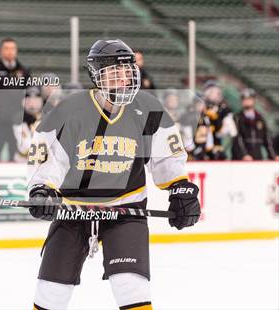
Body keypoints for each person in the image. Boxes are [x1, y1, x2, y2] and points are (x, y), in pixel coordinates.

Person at [27, 39, 201, 310]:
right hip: (74, 212)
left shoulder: (148, 108)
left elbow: (167, 156)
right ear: (97, 76)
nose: (123, 78)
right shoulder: (68, 111)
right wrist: (42, 189)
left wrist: (180, 188)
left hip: (125, 209)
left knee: (131, 286)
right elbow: (48, 158)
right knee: (51, 292)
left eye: (128, 71)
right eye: (114, 72)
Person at [0, 37, 31, 161]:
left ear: (16, 51)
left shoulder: (24, 72)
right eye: (6, 48)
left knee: (15, 154)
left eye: (12, 49)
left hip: (17, 121)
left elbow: (29, 94)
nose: (10, 51)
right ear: (1, 51)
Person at [232, 88, 278, 160]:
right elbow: (237, 138)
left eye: (249, 98)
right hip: (240, 159)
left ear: (254, 100)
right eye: (244, 99)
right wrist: (244, 154)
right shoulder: (237, 118)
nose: (247, 101)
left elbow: (267, 139)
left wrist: (273, 155)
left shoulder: (260, 118)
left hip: (257, 156)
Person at [202, 80, 237, 159]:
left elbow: (230, 132)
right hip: (201, 146)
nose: (217, 94)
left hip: (217, 145)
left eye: (218, 91)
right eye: (214, 91)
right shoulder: (200, 107)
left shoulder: (223, 109)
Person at [12, 86, 43, 162]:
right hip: (22, 160)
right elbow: (24, 144)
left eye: (36, 100)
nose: (32, 103)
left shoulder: (46, 117)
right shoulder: (19, 118)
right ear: (23, 102)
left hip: (42, 162)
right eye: (29, 100)